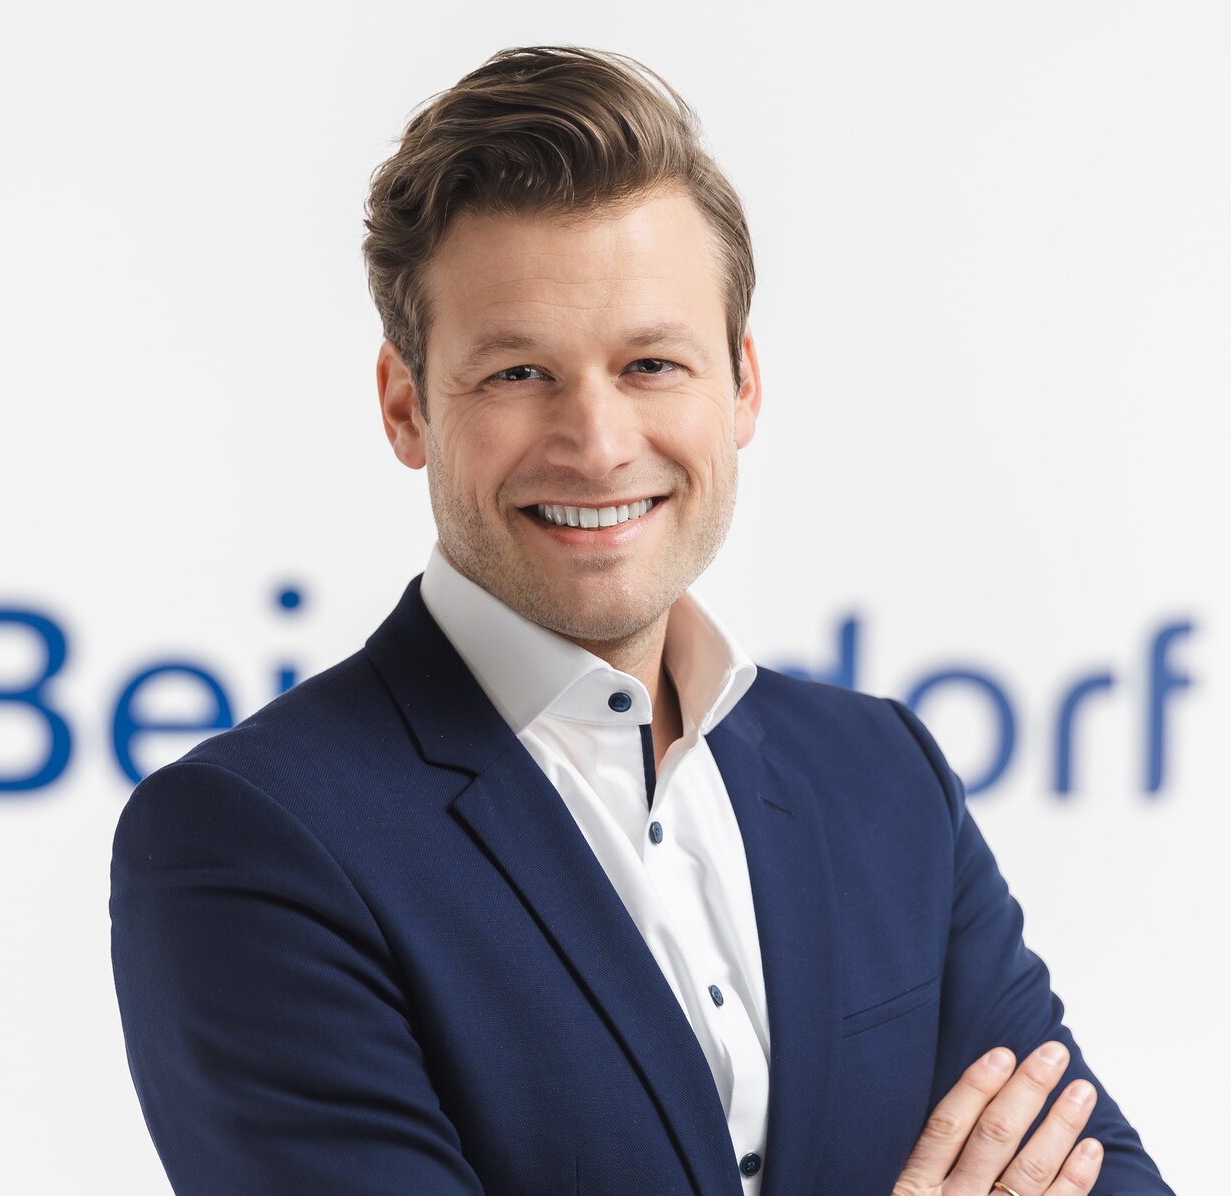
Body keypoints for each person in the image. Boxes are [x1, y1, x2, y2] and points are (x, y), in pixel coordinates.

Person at [109, 45, 1173, 1196]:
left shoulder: (880, 777)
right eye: (518, 373)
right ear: (405, 403)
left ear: (741, 385)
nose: (599, 442)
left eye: (651, 363)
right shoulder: (250, 837)